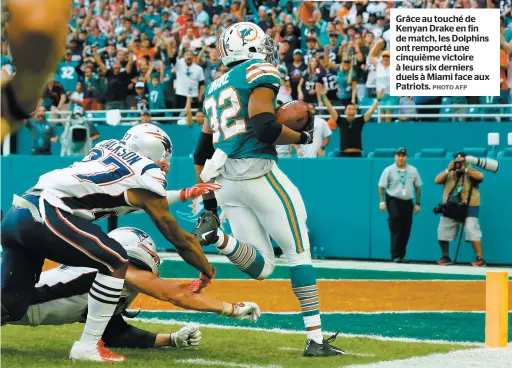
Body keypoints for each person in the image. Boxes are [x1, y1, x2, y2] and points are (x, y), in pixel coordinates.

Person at [1, 124, 217, 362]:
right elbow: (179, 239)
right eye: (164, 159)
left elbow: (128, 195)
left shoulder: (107, 148)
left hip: (19, 213)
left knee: (11, 305)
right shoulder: (147, 172)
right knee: (115, 260)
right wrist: (205, 269)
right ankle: (87, 347)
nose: (164, 167)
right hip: (49, 213)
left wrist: (184, 194)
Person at [192, 22, 343, 357]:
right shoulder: (259, 71)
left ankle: (216, 238)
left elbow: (199, 155)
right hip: (259, 173)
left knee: (263, 267)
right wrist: (302, 136)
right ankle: (315, 340)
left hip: (226, 182)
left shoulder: (213, 89)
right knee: (299, 253)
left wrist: (210, 206)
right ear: (250, 47)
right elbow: (264, 128)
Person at [6, 226, 260, 347]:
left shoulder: (118, 282)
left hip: (16, 306)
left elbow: (115, 333)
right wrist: (230, 308)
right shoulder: (122, 272)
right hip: (11, 302)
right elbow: (174, 295)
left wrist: (170, 340)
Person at [434, 152, 486, 267]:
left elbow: (481, 177)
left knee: (471, 229)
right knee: (442, 231)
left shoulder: (470, 171)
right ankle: (445, 256)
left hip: (470, 206)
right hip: (451, 207)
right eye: (457, 162)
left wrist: (465, 169)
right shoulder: (449, 173)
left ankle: (480, 258)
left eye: (461, 161)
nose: (458, 164)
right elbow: (436, 180)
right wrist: (448, 170)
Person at [378, 148, 422, 262]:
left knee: (406, 228)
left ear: (406, 157)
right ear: (395, 157)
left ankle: (401, 255)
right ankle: (395, 254)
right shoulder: (389, 170)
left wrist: (417, 203)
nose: (400, 158)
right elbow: (381, 187)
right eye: (398, 155)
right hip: (393, 199)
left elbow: (418, 186)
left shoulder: (412, 170)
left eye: (403, 156)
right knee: (395, 223)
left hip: (407, 201)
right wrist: (382, 202)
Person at [318, 84, 383, 157]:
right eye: (349, 109)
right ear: (345, 111)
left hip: (357, 155)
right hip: (344, 155)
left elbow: (370, 111)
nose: (351, 111)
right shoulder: (341, 121)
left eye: (353, 109)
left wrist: (378, 99)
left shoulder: (360, 121)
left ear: (355, 111)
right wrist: (324, 96)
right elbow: (330, 109)